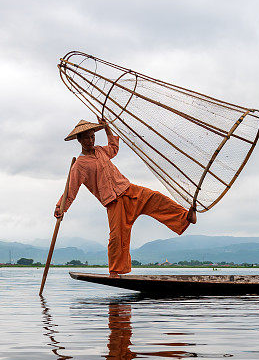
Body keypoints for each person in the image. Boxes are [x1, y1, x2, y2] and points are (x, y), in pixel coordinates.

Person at [54, 118, 197, 277]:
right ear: (79, 140)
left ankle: (185, 217)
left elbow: (114, 148)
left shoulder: (101, 151)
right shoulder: (79, 165)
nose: (90, 140)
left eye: (92, 136)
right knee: (117, 237)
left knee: (156, 199)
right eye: (86, 137)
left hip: (128, 190)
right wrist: (61, 208)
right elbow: (71, 190)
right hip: (113, 202)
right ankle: (116, 271)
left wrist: (107, 128)